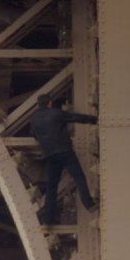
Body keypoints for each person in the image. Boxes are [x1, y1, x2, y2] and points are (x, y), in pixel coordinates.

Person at [29, 94, 98, 225]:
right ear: (49, 103)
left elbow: (33, 134)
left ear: (39, 104)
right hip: (65, 152)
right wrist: (93, 119)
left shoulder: (34, 120)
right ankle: (89, 204)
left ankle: (48, 219)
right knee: (79, 177)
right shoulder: (56, 113)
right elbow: (75, 117)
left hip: (50, 155)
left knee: (51, 187)